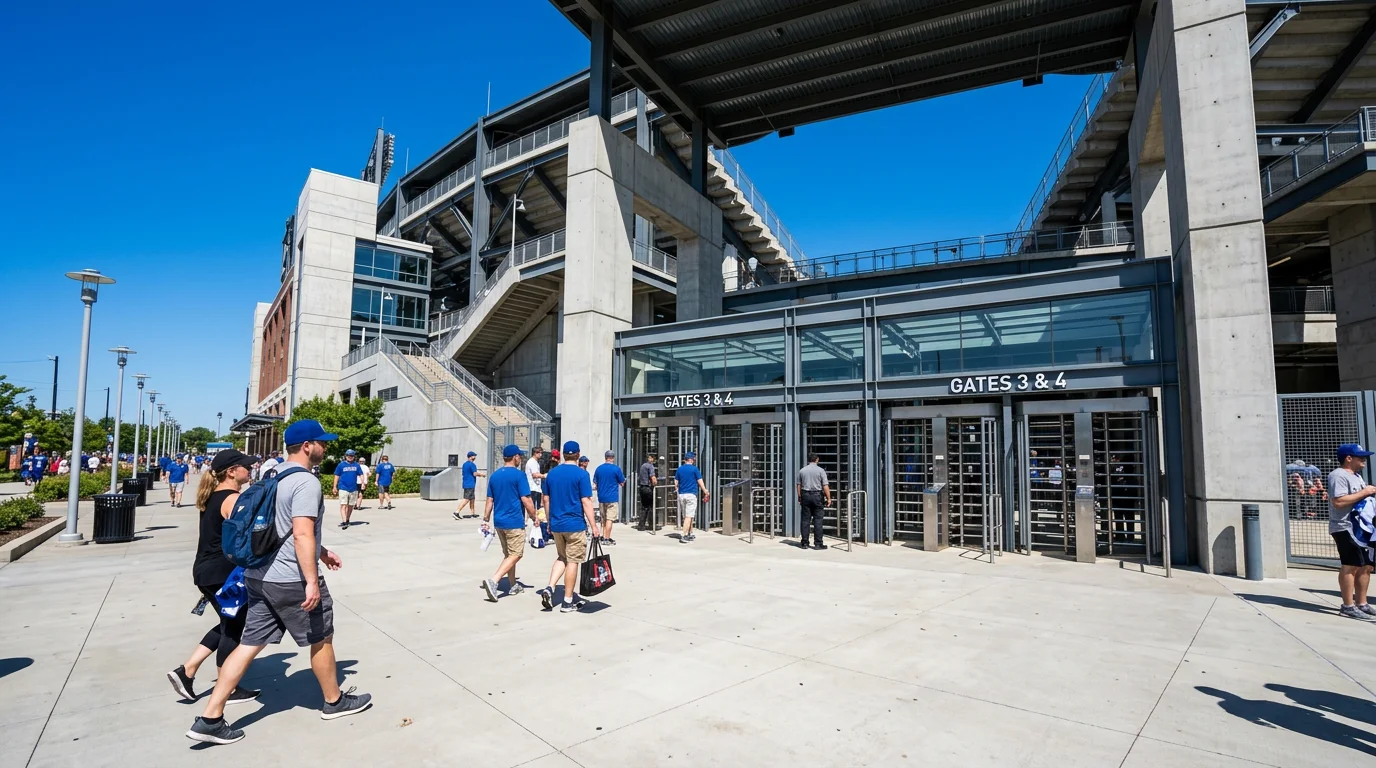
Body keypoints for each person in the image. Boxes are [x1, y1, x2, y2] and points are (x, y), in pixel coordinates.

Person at [184, 419, 371, 745]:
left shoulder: (270, 476)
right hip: (290, 579)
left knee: (247, 645)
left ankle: (210, 717)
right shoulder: (305, 482)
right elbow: (300, 532)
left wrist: (322, 551)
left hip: (258, 576)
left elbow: (279, 528)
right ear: (307, 445)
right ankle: (334, 701)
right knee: (321, 637)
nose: (325, 447)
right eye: (321, 442)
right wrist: (311, 580)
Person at [167, 449, 260, 705]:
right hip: (222, 574)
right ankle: (227, 687)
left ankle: (187, 671)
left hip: (207, 571)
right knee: (234, 628)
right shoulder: (232, 499)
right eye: (246, 466)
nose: (250, 469)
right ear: (232, 471)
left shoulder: (212, 496)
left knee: (227, 623)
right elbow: (245, 538)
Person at [537, 442, 596, 613]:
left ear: (563, 455)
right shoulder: (581, 474)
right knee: (572, 561)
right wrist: (594, 525)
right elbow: (586, 501)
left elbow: (546, 500)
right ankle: (567, 601)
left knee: (562, 556)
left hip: (556, 524)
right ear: (578, 455)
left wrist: (548, 522)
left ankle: (550, 587)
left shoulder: (551, 474)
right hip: (575, 524)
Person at [481, 444, 538, 602]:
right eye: (519, 456)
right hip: (514, 521)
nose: (520, 458)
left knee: (508, 555)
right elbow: (526, 499)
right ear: (515, 457)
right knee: (516, 554)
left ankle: (513, 585)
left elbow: (489, 500)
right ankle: (494, 580)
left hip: (499, 522)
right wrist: (534, 516)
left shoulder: (495, 476)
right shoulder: (518, 476)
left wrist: (485, 519)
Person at [1329, 443, 1376, 620]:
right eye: (1360, 456)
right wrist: (1365, 492)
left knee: (1366, 566)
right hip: (1345, 527)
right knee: (1351, 565)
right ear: (1348, 458)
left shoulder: (1356, 476)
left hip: (1363, 529)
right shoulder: (1338, 475)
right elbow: (1338, 502)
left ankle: (1361, 603)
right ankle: (1347, 606)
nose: (1364, 459)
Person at [796, 454, 831, 550]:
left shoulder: (802, 471)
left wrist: (799, 496)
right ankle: (818, 544)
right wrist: (829, 498)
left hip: (805, 495)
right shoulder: (821, 471)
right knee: (818, 520)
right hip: (817, 496)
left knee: (805, 520)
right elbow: (825, 485)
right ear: (817, 460)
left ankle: (804, 543)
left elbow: (799, 485)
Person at [593, 451, 626, 545]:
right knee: (609, 519)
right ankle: (607, 539)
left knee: (603, 519)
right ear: (613, 458)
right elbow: (622, 483)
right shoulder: (616, 469)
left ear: (605, 457)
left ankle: (603, 536)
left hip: (601, 497)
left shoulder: (599, 469)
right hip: (612, 498)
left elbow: (595, 484)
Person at [675, 452, 709, 544]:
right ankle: (684, 535)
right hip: (691, 495)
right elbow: (700, 481)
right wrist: (705, 491)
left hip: (682, 495)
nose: (694, 460)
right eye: (694, 458)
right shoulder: (695, 469)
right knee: (689, 516)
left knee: (687, 516)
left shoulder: (680, 469)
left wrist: (678, 489)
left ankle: (690, 533)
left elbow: (676, 482)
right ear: (691, 459)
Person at [332, 449, 364, 529]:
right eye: (349, 455)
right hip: (343, 488)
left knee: (351, 506)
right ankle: (344, 521)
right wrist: (334, 486)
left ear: (354, 457)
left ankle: (347, 519)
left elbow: (361, 474)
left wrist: (363, 483)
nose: (350, 457)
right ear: (346, 456)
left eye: (352, 456)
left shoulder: (356, 465)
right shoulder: (341, 465)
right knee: (343, 505)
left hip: (353, 488)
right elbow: (336, 476)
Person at [454, 450, 485, 520]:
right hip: (470, 484)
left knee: (472, 499)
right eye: (474, 456)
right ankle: (456, 512)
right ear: (471, 457)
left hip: (466, 483)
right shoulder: (472, 465)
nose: (475, 457)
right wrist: (482, 475)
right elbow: (475, 473)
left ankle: (473, 513)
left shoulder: (464, 464)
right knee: (466, 499)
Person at [526, 446, 547, 530]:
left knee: (537, 507)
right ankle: (533, 522)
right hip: (533, 487)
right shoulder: (532, 462)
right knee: (534, 507)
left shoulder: (535, 462)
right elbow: (534, 474)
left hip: (536, 488)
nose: (541, 455)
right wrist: (544, 475)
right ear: (535, 453)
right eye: (539, 453)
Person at [636, 453, 657, 531]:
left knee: (644, 507)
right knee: (651, 506)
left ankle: (641, 525)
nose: (654, 460)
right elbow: (653, 478)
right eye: (653, 458)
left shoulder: (643, 466)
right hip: (648, 488)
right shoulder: (650, 466)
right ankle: (652, 525)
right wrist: (655, 483)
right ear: (650, 458)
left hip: (642, 488)